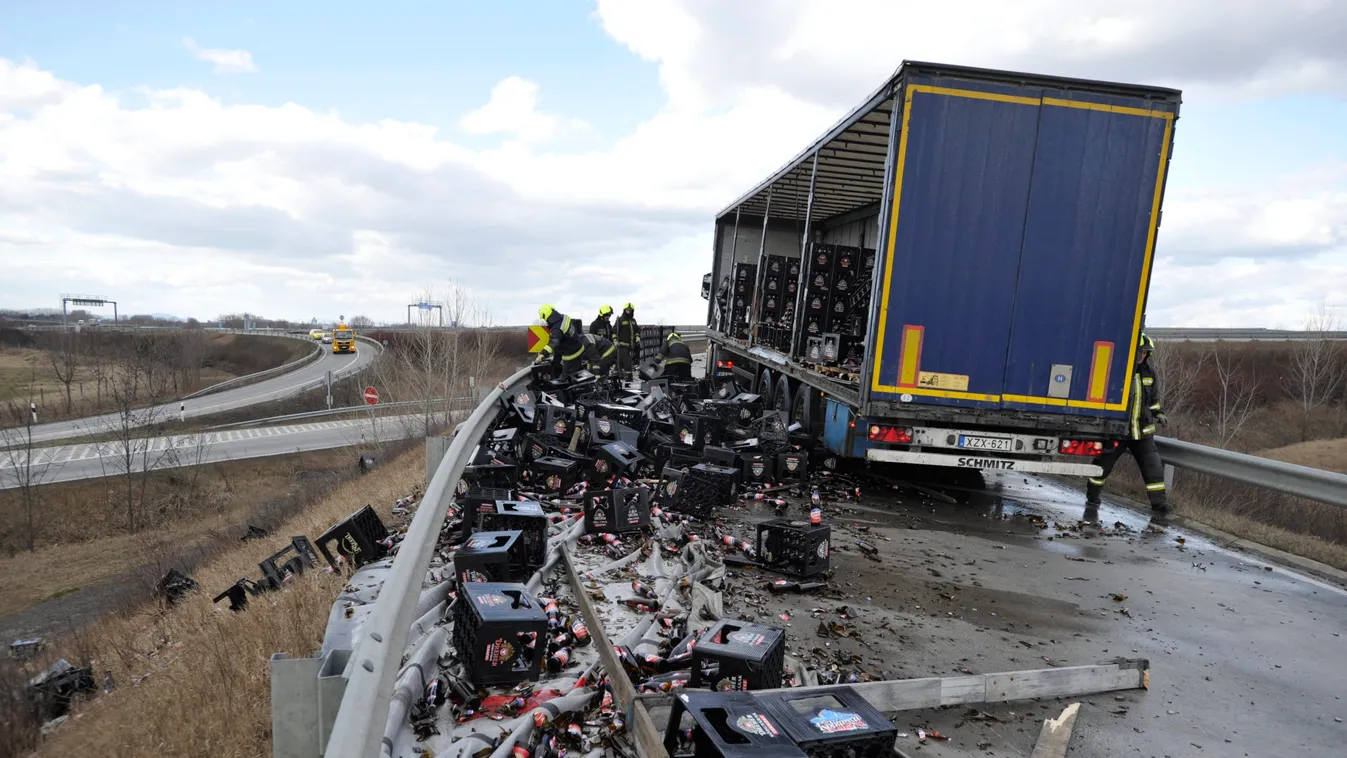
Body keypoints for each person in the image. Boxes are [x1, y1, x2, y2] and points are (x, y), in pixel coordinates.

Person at [1086, 333, 1171, 514]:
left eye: (1145, 352)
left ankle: (1159, 504)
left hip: (1142, 432)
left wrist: (1159, 413)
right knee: (1103, 466)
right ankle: (1092, 496)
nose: (1141, 355)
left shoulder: (1149, 373)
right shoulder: (1118, 371)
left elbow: (1153, 399)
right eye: (1139, 351)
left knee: (1153, 468)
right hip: (1118, 431)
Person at [538, 304, 585, 374]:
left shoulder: (557, 328)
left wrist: (543, 354)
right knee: (556, 365)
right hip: (575, 347)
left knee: (568, 376)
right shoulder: (564, 317)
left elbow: (554, 342)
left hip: (571, 354)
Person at [614, 303, 641, 375]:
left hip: (631, 347)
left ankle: (615, 378)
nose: (628, 311)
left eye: (630, 310)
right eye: (627, 310)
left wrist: (637, 337)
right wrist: (615, 341)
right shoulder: (620, 320)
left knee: (620, 364)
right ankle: (629, 380)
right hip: (622, 346)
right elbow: (614, 331)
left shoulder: (633, 321)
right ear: (624, 310)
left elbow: (636, 330)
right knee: (627, 364)